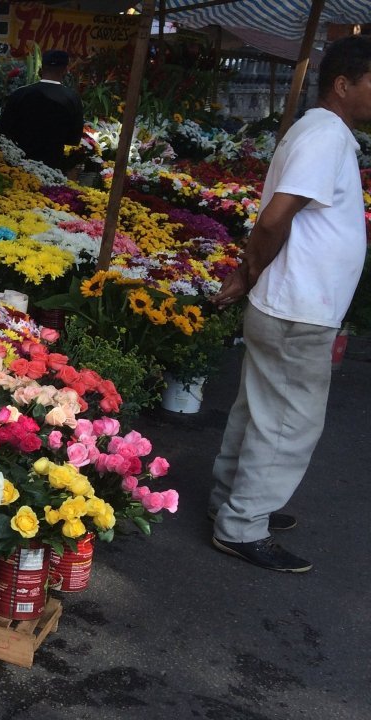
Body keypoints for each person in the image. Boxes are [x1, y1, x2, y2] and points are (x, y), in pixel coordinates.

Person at [206, 33, 371, 573]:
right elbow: (275, 218)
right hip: (297, 307)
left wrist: (248, 276)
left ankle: (234, 503)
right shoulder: (325, 136)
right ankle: (242, 525)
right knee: (288, 422)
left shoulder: (324, 132)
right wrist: (248, 272)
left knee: (259, 410)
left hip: (290, 302)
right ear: (343, 85)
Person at [0, 49, 83, 170]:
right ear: (65, 70)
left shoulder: (20, 94)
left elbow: (3, 131)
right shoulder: (73, 99)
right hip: (52, 166)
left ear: (42, 68)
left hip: (18, 164)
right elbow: (73, 139)